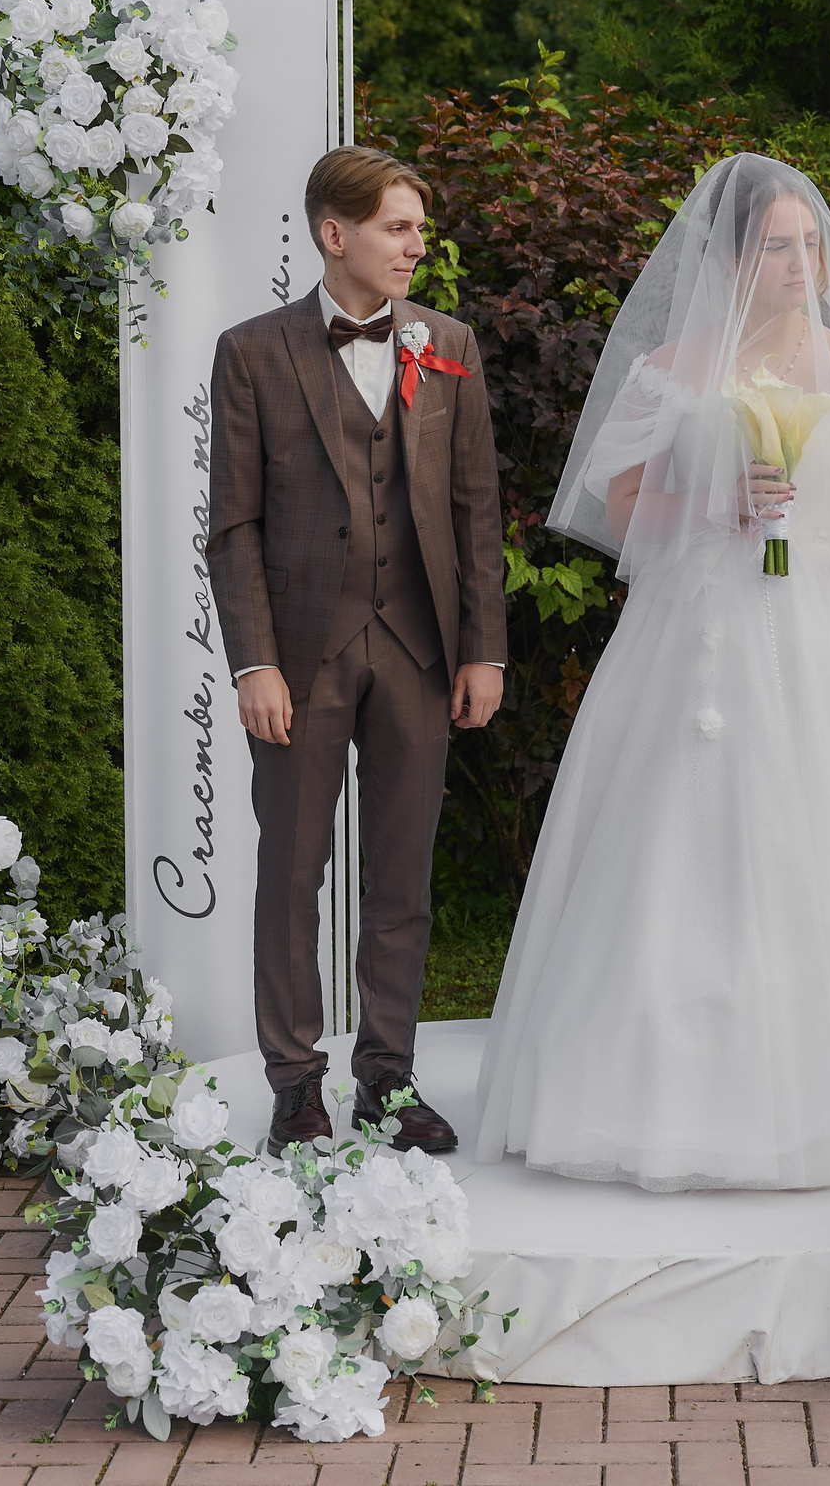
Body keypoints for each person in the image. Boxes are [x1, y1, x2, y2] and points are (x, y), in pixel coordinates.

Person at [472, 153, 830, 1192]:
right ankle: (665, 1086)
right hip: (703, 627)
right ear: (729, 258)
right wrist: (715, 506)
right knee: (687, 837)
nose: (802, 264)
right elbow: (620, 508)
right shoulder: (674, 367)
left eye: (810, 244)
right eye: (777, 246)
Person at [207, 146, 508, 1157]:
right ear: (335, 234)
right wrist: (253, 662)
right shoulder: (252, 351)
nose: (416, 245)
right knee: (292, 871)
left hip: (419, 649)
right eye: (397, 226)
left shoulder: (448, 344)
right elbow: (235, 525)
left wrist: (484, 649)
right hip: (300, 655)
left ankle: (388, 1076)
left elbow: (475, 510)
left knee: (402, 878)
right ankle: (295, 1083)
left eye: (419, 228)